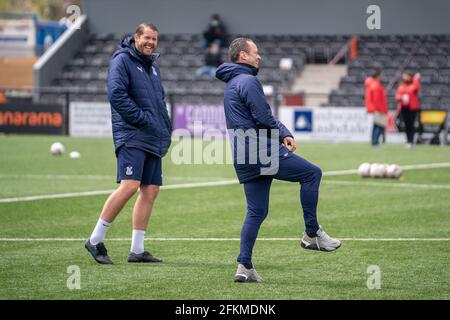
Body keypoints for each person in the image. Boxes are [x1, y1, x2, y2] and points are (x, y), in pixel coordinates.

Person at [216, 38, 341, 283]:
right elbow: (263, 117)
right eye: (255, 53)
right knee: (312, 174)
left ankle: (244, 266)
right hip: (261, 150)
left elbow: (259, 117)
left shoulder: (231, 83)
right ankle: (311, 233)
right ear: (243, 55)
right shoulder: (248, 81)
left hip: (242, 156)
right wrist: (284, 133)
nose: (259, 56)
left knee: (256, 211)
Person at [85, 23, 172, 264]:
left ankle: (137, 250)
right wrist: (143, 120)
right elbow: (117, 96)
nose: (151, 42)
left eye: (154, 39)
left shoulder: (152, 66)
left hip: (152, 136)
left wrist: (164, 127)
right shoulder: (122, 60)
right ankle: (94, 240)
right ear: (136, 37)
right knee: (129, 185)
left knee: (151, 189)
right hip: (132, 135)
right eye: (147, 38)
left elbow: (159, 100)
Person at [395, 71, 421, 148]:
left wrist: (416, 79)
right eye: (404, 76)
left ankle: (411, 141)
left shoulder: (413, 84)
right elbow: (397, 96)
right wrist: (401, 97)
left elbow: (416, 87)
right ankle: (408, 140)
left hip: (412, 108)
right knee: (406, 125)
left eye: (406, 76)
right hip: (404, 107)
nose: (404, 78)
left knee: (411, 124)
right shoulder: (401, 85)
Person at [365, 69, 388, 146]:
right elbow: (377, 100)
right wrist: (381, 109)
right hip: (378, 109)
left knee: (376, 125)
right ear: (377, 76)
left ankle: (374, 141)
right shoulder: (376, 86)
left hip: (375, 109)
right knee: (379, 126)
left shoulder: (372, 85)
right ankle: (375, 142)